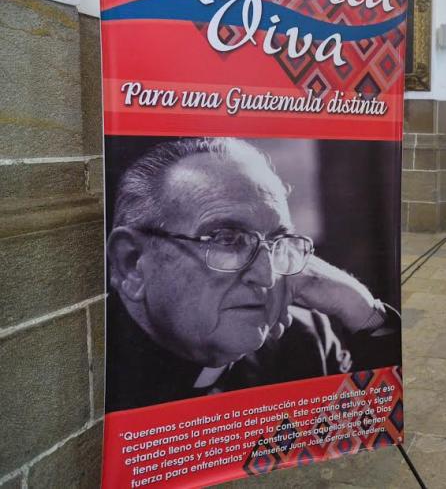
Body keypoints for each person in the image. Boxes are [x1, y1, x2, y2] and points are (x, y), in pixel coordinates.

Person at [105, 137, 399, 412]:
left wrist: (362, 311)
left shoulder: (304, 340)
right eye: (227, 240)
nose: (267, 276)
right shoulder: (95, 374)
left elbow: (376, 425)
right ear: (131, 263)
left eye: (277, 244)